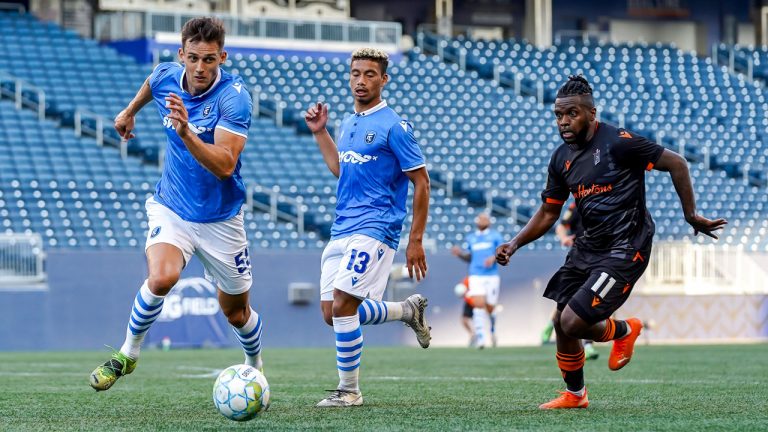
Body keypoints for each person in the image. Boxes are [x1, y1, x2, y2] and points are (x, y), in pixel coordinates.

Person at [496, 75, 727, 409]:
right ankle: (576, 396)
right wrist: (515, 243)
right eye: (558, 115)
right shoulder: (561, 158)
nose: (563, 121)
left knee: (574, 321)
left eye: (571, 114)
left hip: (626, 246)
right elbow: (548, 213)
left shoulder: (619, 142)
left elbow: (677, 162)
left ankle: (623, 330)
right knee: (562, 320)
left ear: (592, 113)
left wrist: (691, 215)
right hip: (588, 245)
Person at [89, 17, 263, 391]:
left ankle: (254, 365)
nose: (201, 68)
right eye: (194, 58)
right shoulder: (168, 74)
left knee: (236, 313)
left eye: (210, 60)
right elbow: (153, 80)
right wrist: (129, 111)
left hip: (221, 219)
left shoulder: (234, 98)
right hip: (172, 207)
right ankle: (128, 354)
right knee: (162, 277)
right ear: (182, 54)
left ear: (223, 58)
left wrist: (186, 133)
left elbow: (225, 165)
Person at [304, 47, 431, 407]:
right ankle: (407, 311)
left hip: (376, 227)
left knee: (344, 304)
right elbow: (340, 170)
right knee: (332, 313)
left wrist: (415, 240)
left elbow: (422, 182)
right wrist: (320, 133)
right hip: (342, 227)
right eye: (356, 73)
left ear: (383, 79)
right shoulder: (347, 123)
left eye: (370, 74)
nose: (361, 80)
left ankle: (349, 391)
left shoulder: (394, 126)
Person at [541, 201, 599, 361]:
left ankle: (588, 345)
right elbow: (561, 225)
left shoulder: (606, 200)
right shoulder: (577, 205)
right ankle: (552, 323)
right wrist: (564, 238)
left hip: (600, 257)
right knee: (567, 300)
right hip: (579, 257)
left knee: (589, 300)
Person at [451, 213, 504, 348]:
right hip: (475, 275)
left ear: (489, 222)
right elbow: (469, 257)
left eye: (484, 218)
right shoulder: (471, 238)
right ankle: (481, 338)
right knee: (478, 305)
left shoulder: (495, 236)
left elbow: (503, 252)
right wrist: (459, 254)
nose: (481, 220)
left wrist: (494, 257)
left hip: (491, 276)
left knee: (490, 308)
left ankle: (492, 330)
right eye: (479, 218)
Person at [453, 276, 476, 347]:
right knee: (464, 320)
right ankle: (472, 334)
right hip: (469, 303)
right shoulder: (466, 281)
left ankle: (482, 336)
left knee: (478, 319)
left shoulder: (477, 281)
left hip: (477, 302)